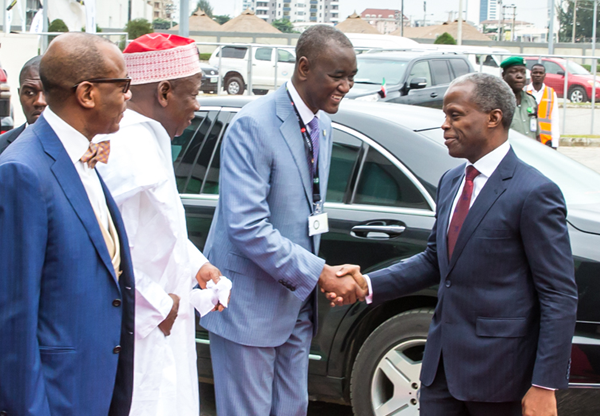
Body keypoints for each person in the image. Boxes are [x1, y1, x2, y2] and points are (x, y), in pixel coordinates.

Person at [333, 73, 578, 416]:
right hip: (440, 374)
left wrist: (544, 385)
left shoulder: (534, 192)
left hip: (501, 378)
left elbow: (558, 295)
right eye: (444, 116)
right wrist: (367, 284)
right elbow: (435, 260)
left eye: (455, 115)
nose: (444, 125)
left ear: (493, 118)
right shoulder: (451, 182)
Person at [200, 25, 363, 415]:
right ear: (304, 68)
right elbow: (247, 226)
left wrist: (314, 275)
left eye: (352, 77)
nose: (346, 86)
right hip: (249, 306)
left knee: (292, 409)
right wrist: (318, 272)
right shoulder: (253, 124)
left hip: (296, 302)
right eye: (337, 76)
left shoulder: (322, 121)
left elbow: (308, 209)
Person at [0, 33, 135, 416]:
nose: (128, 95)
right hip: (56, 397)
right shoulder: (22, 171)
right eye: (122, 85)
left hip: (95, 386)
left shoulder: (80, 156)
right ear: (87, 93)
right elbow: (12, 316)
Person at [95, 33, 224, 416]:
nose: (197, 106)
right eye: (194, 93)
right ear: (164, 92)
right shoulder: (127, 147)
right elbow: (103, 243)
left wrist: (195, 263)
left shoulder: (148, 139)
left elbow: (157, 229)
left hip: (161, 320)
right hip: (143, 325)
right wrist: (159, 302)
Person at [0, 55, 47, 154]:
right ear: (19, 94)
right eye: (29, 92)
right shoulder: (2, 146)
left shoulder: (84, 149)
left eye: (47, 92)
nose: (39, 101)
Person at [501, 56, 540, 141]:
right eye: (514, 72)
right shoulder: (498, 102)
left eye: (523, 72)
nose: (519, 76)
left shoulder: (531, 101)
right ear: (503, 75)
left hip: (529, 151)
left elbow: (536, 134)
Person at [526, 63, 560, 148]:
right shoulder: (524, 91)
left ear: (545, 75)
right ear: (531, 74)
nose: (538, 75)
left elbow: (554, 118)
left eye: (540, 73)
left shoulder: (551, 93)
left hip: (545, 141)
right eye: (535, 72)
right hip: (526, 139)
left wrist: (555, 142)